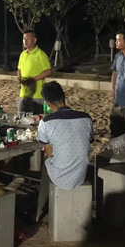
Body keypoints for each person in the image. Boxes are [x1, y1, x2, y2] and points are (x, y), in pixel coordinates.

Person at [36, 81, 93, 220]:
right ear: (64, 96)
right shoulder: (86, 118)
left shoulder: (46, 122)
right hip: (81, 174)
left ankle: (39, 210)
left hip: (62, 178)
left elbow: (50, 153)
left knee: (45, 162)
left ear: (48, 104)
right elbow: (88, 140)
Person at [17, 29, 52, 114]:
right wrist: (19, 78)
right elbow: (19, 69)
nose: (25, 41)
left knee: (35, 118)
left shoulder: (40, 54)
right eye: (24, 39)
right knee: (21, 117)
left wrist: (33, 80)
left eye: (28, 39)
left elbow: (48, 71)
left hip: (37, 95)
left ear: (34, 40)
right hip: (24, 94)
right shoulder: (23, 54)